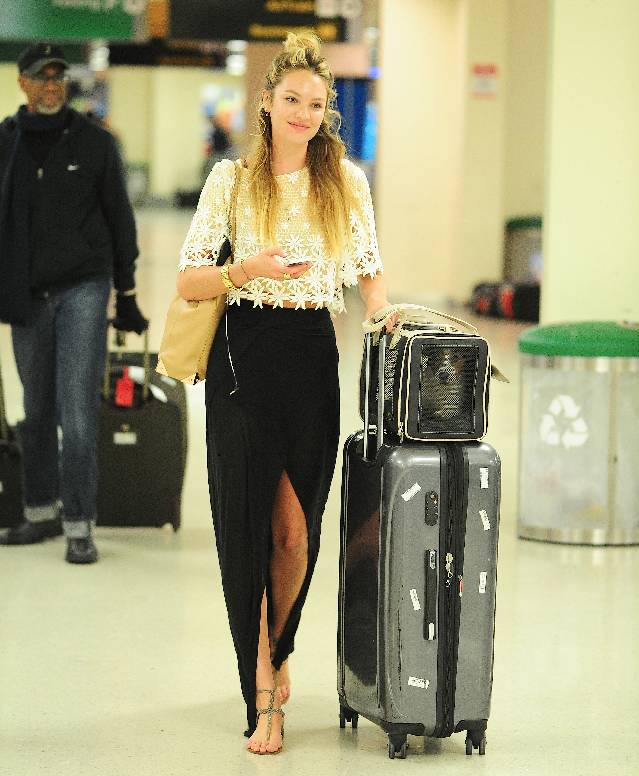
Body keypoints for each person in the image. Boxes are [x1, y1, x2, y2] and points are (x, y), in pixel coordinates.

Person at [176, 32, 393, 755]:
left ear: (326, 111)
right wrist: (248, 267)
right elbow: (188, 279)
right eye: (291, 99)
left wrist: (386, 313)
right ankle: (262, 691)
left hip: (308, 356)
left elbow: (368, 271)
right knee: (247, 530)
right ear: (266, 101)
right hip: (244, 356)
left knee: (295, 530)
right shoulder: (229, 183)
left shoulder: (346, 183)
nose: (303, 112)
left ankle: (282, 641)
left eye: (316, 104)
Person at [0, 43, 147, 564]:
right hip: (26, 294)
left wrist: (125, 293)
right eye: (41, 77)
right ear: (22, 83)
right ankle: (39, 513)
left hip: (83, 287)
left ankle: (79, 524)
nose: (51, 85)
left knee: (77, 409)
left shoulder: (95, 144)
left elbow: (119, 219)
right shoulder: (7, 141)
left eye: (58, 77)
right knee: (36, 409)